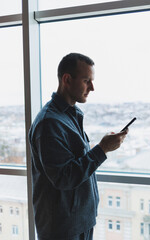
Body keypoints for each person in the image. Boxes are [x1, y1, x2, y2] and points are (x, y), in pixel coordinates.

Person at [29, 53, 128, 240]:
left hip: (80, 222)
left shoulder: (70, 116)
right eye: (86, 81)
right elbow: (64, 178)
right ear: (67, 79)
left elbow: (78, 164)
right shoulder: (49, 123)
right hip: (62, 229)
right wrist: (102, 149)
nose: (92, 87)